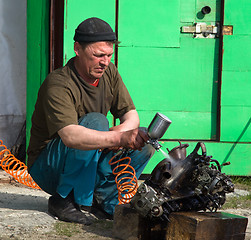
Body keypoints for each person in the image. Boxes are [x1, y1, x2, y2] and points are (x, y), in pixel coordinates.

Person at [27, 17, 155, 225]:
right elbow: (70, 136)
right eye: (97, 55)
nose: (104, 62)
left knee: (143, 141)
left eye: (109, 55)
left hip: (87, 159)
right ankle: (63, 199)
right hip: (49, 167)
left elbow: (131, 115)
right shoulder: (59, 83)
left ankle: (103, 201)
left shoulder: (109, 73)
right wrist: (117, 137)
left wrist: (124, 135)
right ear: (77, 49)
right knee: (97, 121)